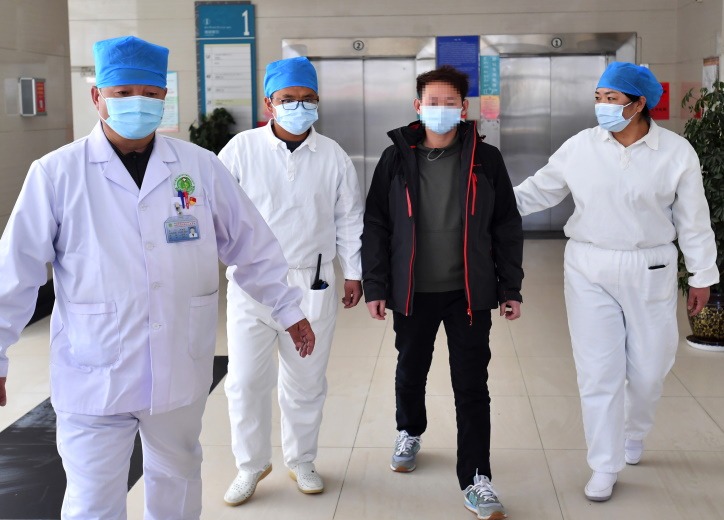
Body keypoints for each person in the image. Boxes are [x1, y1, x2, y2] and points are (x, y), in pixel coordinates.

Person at [0, 36, 315, 520]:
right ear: (97, 97)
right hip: (94, 368)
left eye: (149, 92)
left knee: (178, 479)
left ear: (164, 97)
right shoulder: (57, 174)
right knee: (92, 498)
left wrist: (289, 309)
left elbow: (252, 246)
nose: (137, 103)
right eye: (123, 92)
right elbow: (15, 271)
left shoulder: (197, 167)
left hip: (176, 363)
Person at [514, 62, 718, 502]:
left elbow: (694, 220)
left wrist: (703, 275)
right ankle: (603, 465)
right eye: (599, 97)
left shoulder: (676, 152)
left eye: (612, 98)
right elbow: (539, 190)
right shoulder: (580, 146)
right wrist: (484, 207)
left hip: (651, 266)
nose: (602, 106)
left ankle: (634, 430)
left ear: (639, 103)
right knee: (598, 371)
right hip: (588, 265)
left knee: (650, 368)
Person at [362, 65, 524, 520]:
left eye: (450, 102)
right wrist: (376, 284)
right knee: (410, 369)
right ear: (418, 107)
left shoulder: (485, 160)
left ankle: (477, 478)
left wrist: (510, 286)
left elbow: (507, 225)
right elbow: (375, 224)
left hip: (468, 292)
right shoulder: (395, 159)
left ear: (464, 108)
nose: (441, 109)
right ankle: (409, 430)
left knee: (471, 384)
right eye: (432, 102)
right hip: (412, 290)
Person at [217, 56, 364, 505]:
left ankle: (301, 459)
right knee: (244, 381)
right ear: (269, 103)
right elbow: (216, 212)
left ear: (317, 102)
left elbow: (349, 217)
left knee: (306, 380)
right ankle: (251, 464)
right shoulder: (240, 149)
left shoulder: (333, 156)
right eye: (288, 99)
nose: (298, 106)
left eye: (307, 99)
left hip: (312, 284)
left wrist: (354, 271)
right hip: (251, 285)